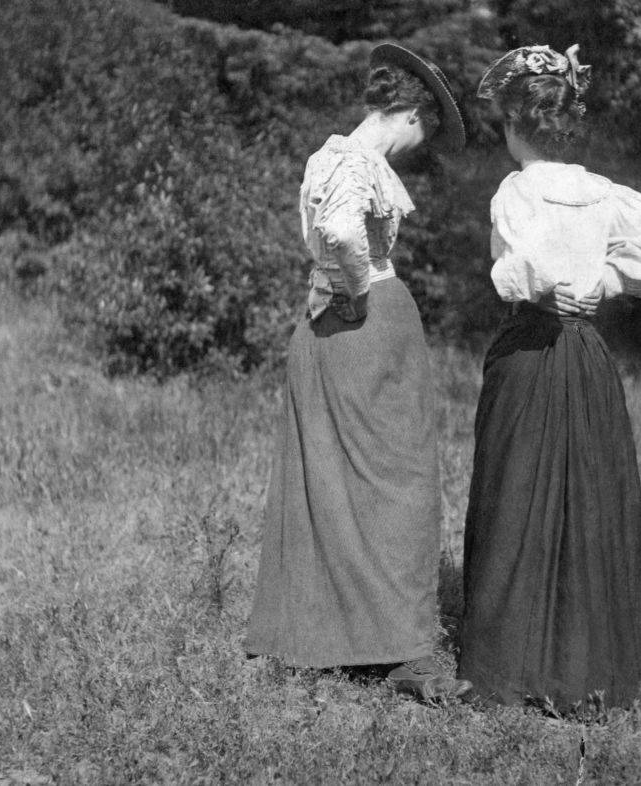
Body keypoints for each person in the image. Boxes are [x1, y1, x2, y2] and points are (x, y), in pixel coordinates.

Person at [457, 45, 641, 711]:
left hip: (532, 350)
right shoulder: (603, 193)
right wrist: (604, 280)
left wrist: (547, 283)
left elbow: (515, 271)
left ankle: (512, 664)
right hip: (585, 351)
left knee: (517, 489)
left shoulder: (518, 191)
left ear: (516, 129)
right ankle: (589, 660)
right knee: (586, 495)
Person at [245, 44, 471, 701]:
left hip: (331, 327)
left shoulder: (330, 155)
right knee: (399, 483)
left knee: (339, 484)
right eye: (423, 132)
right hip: (361, 321)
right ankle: (402, 649)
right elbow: (343, 236)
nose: (418, 147)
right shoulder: (354, 160)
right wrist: (355, 289)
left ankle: (340, 639)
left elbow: (334, 232)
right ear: (406, 114)